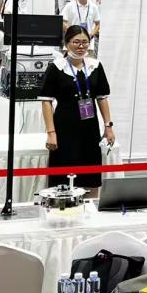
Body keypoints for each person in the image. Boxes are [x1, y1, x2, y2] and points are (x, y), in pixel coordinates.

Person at [40, 26, 115, 193]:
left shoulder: (95, 66)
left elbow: (102, 97)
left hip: (90, 127)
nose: (81, 46)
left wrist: (108, 126)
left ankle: (90, 206)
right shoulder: (56, 67)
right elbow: (46, 101)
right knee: (63, 175)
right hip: (64, 126)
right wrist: (51, 133)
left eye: (85, 42)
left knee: (90, 175)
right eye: (76, 42)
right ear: (66, 43)